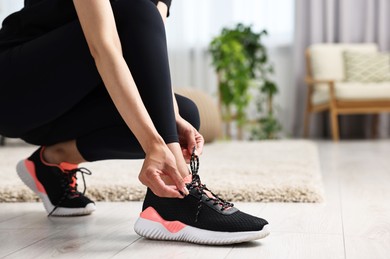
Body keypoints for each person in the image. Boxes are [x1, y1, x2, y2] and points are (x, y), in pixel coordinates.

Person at [0, 0, 269, 244]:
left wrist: (170, 119)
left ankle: (50, 162)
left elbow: (147, 59)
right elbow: (104, 47)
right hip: (15, 92)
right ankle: (176, 195)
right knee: (136, 10)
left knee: (182, 117)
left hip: (67, 103)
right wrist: (155, 144)